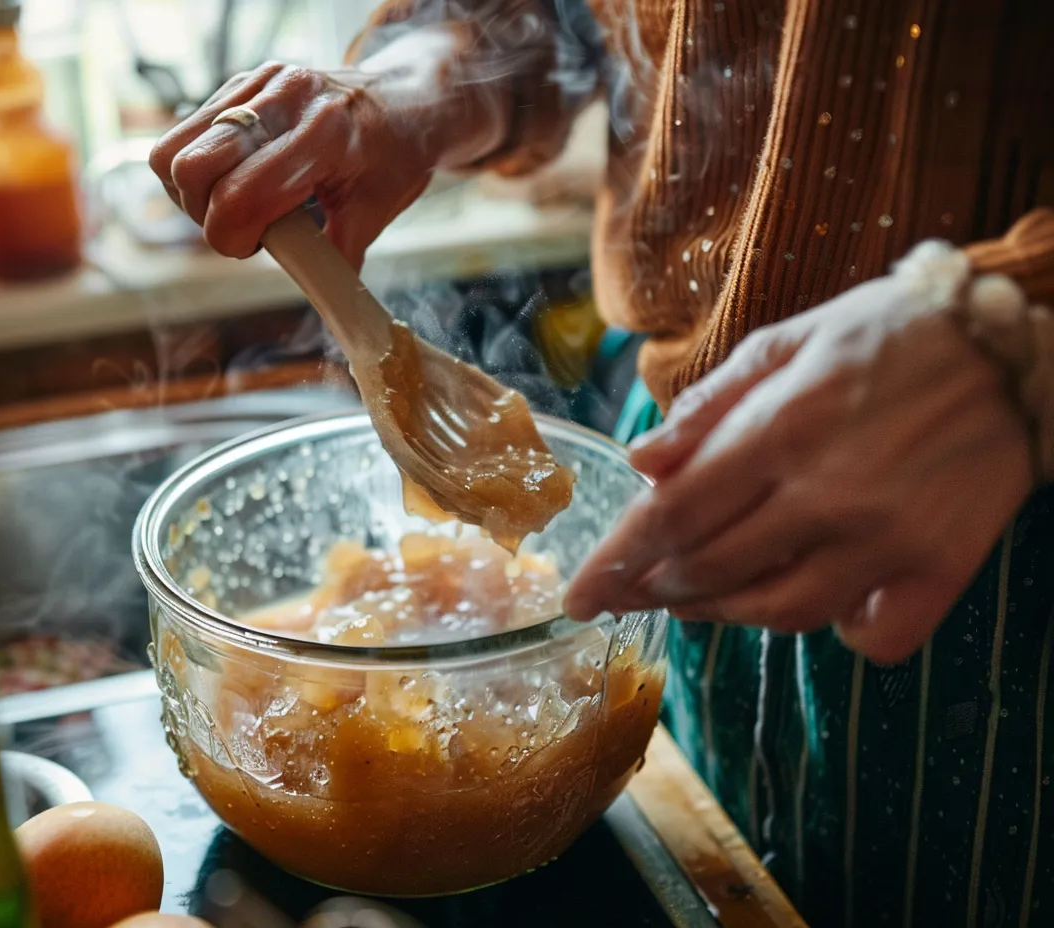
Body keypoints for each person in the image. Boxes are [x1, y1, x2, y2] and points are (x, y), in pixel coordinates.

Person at [150, 1, 1054, 924]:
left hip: (996, 529)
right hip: (682, 492)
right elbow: (589, 19)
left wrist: (1016, 331)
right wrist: (426, 81)